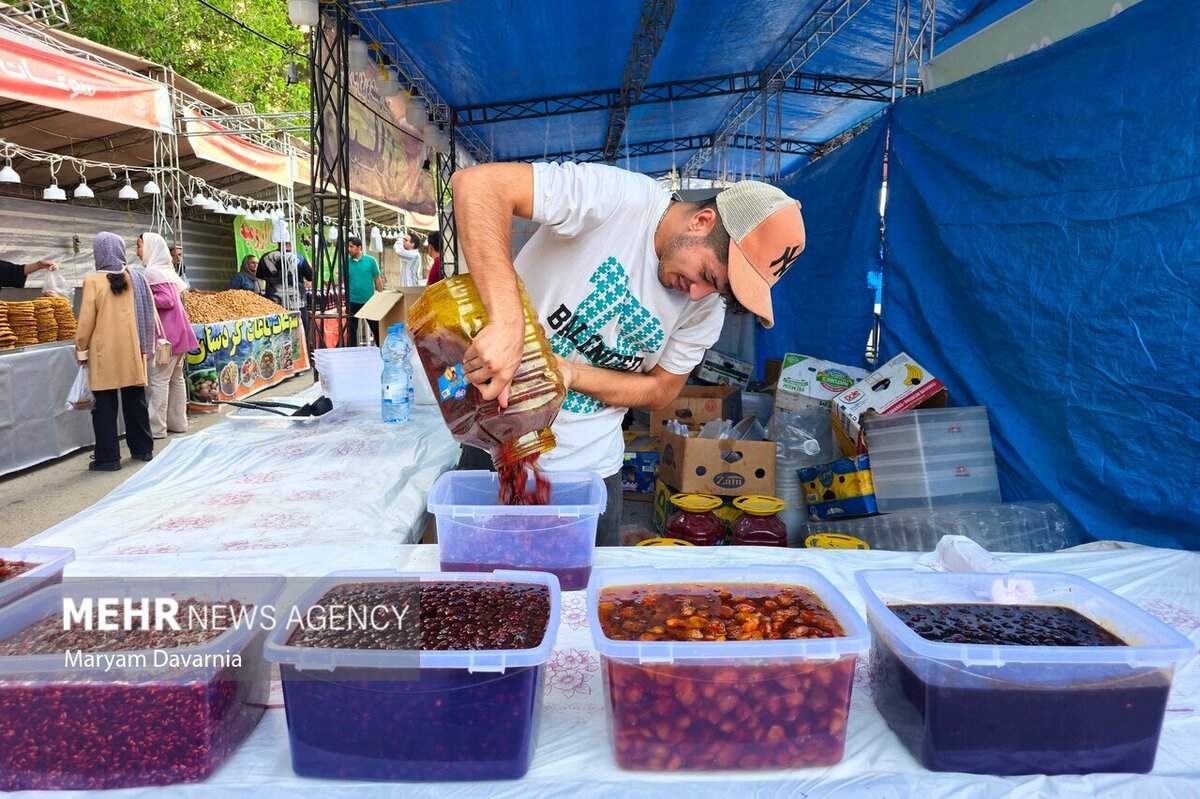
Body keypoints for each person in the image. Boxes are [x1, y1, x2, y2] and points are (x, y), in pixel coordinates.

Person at [450, 161, 806, 546]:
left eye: (717, 291)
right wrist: (507, 323)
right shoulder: (618, 199)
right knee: (482, 589)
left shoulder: (706, 307)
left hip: (591, 471)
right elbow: (479, 184)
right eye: (708, 275)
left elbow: (662, 390)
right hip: (496, 445)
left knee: (577, 598)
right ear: (701, 221)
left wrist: (569, 374)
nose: (699, 295)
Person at [76, 233, 155, 471]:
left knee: (105, 407)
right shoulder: (136, 278)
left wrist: (81, 348)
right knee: (136, 401)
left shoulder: (93, 281)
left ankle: (108, 459)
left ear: (98, 253)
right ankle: (143, 450)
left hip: (104, 353)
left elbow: (86, 321)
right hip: (132, 350)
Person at [139, 232, 200, 440]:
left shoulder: (153, 272)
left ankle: (157, 428)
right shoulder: (168, 271)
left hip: (167, 337)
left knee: (159, 380)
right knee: (176, 379)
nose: (137, 251)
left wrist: (144, 295)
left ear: (150, 248)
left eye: (139, 246)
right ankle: (179, 423)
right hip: (179, 334)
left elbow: (167, 301)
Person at [347, 234, 383, 344]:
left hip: (369, 301)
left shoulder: (370, 261)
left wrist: (380, 295)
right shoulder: (346, 263)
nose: (349, 249)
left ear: (360, 247)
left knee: (375, 328)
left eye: (351, 246)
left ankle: (380, 348)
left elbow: (377, 278)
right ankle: (352, 352)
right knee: (352, 331)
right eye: (348, 247)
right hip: (352, 301)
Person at [257, 241, 313, 306]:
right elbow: (310, 277)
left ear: (277, 243)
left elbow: (260, 276)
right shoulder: (300, 258)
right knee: (297, 316)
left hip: (273, 302)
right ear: (290, 243)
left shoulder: (265, 257)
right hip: (296, 303)